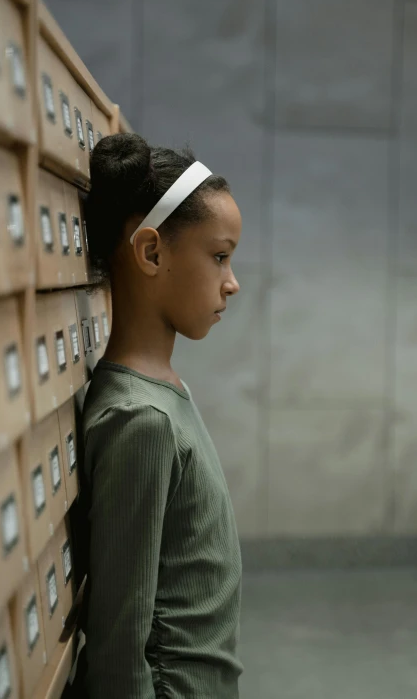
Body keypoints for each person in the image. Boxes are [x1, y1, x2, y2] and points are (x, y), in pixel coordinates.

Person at [74, 133, 243, 698]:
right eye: (219, 255)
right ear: (151, 252)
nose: (231, 282)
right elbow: (120, 651)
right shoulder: (140, 421)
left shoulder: (161, 392)